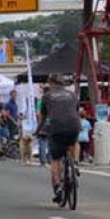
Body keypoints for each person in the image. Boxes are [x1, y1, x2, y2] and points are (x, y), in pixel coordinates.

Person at [38, 74, 81, 202]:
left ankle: (58, 187)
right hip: (73, 125)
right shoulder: (73, 95)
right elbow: (76, 111)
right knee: (74, 142)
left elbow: (43, 117)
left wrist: (38, 129)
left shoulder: (47, 96)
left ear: (51, 83)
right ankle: (76, 162)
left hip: (56, 127)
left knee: (55, 159)